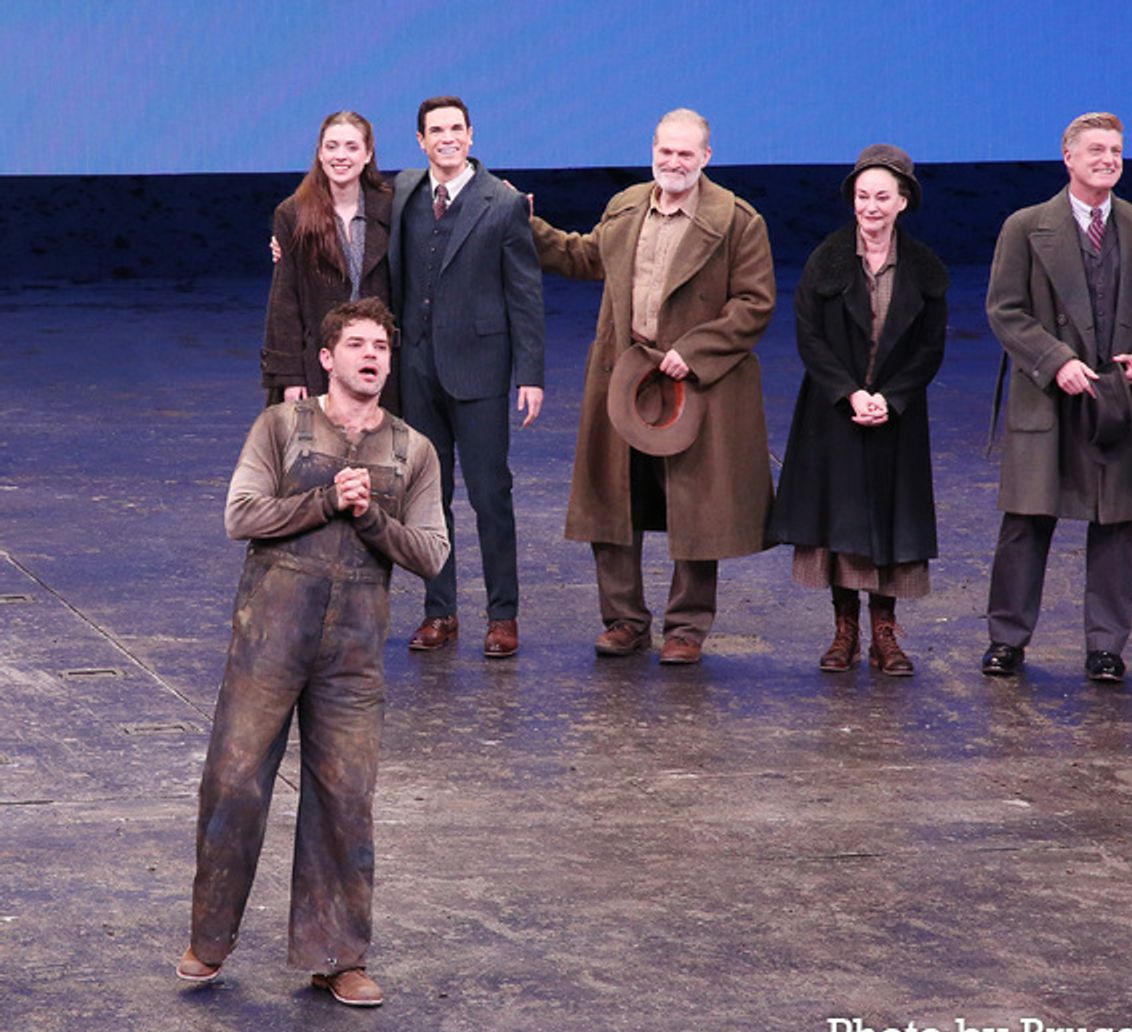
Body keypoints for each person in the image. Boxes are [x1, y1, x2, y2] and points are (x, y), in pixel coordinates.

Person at [178, 298, 449, 1006]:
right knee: (234, 782)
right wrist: (324, 501)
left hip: (352, 653)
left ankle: (339, 956)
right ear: (327, 358)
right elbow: (240, 515)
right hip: (270, 637)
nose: (371, 355)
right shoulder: (280, 427)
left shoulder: (411, 450)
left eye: (381, 347)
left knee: (345, 798)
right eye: (356, 344)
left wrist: (372, 517)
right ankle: (209, 940)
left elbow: (432, 553)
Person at [531, 108, 776, 665]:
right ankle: (624, 620)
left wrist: (691, 353)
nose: (673, 162)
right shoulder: (625, 207)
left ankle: (686, 628)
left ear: (706, 158)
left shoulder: (737, 221)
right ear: (653, 150)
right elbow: (585, 256)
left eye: (685, 154)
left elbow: (755, 303)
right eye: (665, 151)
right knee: (613, 498)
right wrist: (524, 226)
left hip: (691, 380)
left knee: (696, 505)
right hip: (625, 373)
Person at [981, 113, 1132, 683]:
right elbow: (1005, 309)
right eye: (1096, 149)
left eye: (1116, 150)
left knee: (1116, 523)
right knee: (1027, 521)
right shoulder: (1026, 226)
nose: (1108, 159)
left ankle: (1106, 647)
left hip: (1118, 398)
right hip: (1049, 397)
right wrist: (1056, 360)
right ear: (1067, 157)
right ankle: (1007, 639)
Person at [767, 144, 949, 675]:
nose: (871, 206)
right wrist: (850, 393)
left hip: (897, 416)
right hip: (834, 412)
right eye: (863, 196)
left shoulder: (923, 270)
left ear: (903, 203)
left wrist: (889, 400)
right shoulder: (825, 261)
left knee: (889, 522)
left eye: (882, 197)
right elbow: (810, 337)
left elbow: (929, 348)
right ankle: (844, 630)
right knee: (840, 521)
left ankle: (884, 635)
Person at [390, 96, 546, 658]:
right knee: (429, 495)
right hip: (418, 369)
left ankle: (503, 615)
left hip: (480, 369)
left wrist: (530, 373)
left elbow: (524, 292)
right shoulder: (405, 192)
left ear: (472, 136)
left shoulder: (502, 203)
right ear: (420, 140)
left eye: (457, 129)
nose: (447, 138)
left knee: (489, 494)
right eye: (436, 130)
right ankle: (440, 610)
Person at [262, 111, 397, 412]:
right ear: (320, 154)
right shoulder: (293, 214)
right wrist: (290, 375)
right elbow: (285, 301)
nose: (341, 156)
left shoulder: (393, 207)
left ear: (368, 155)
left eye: (351, 147)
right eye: (332, 146)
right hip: (319, 366)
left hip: (381, 366)